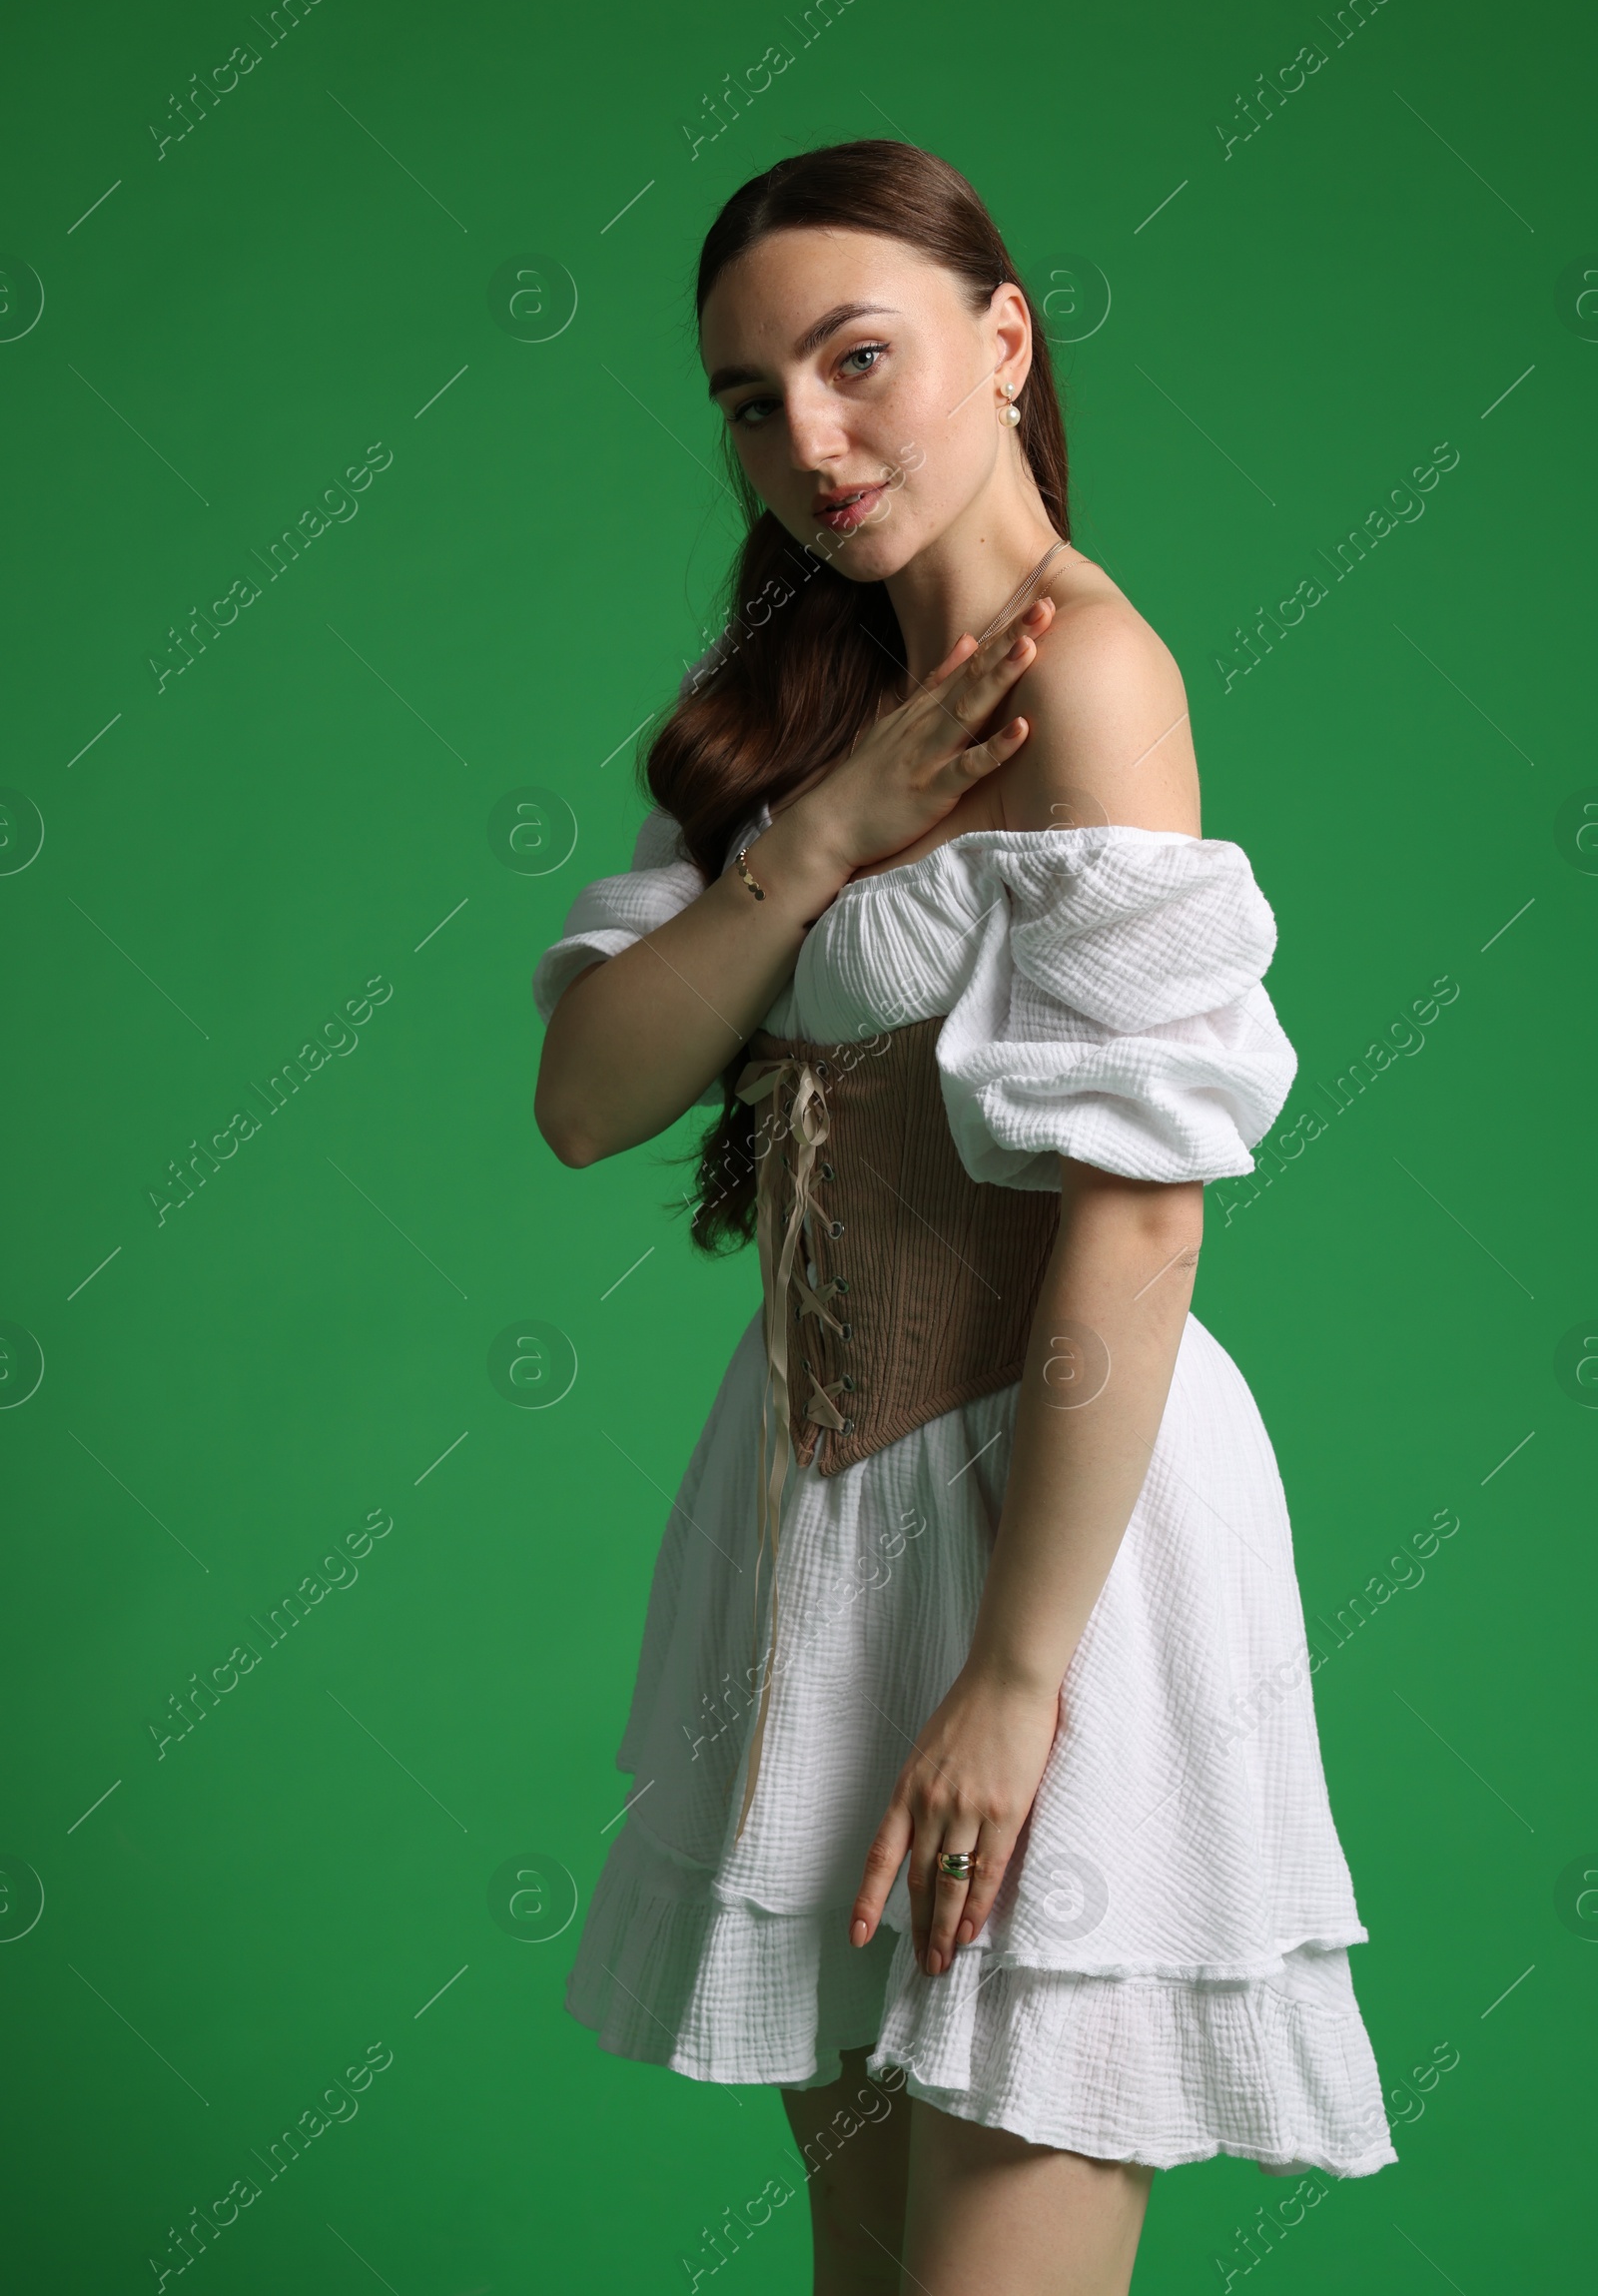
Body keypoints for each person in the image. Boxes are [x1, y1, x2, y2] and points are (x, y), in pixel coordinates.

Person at [532, 140, 1394, 2296]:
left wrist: (1019, 1678)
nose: (807, 440)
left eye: (856, 361)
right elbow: (587, 1093)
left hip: (1059, 1544)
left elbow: (1142, 1216)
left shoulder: (1094, 677)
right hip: (822, 1541)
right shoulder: (793, 718)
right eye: (750, 398)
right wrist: (818, 826)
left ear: (1000, 344)